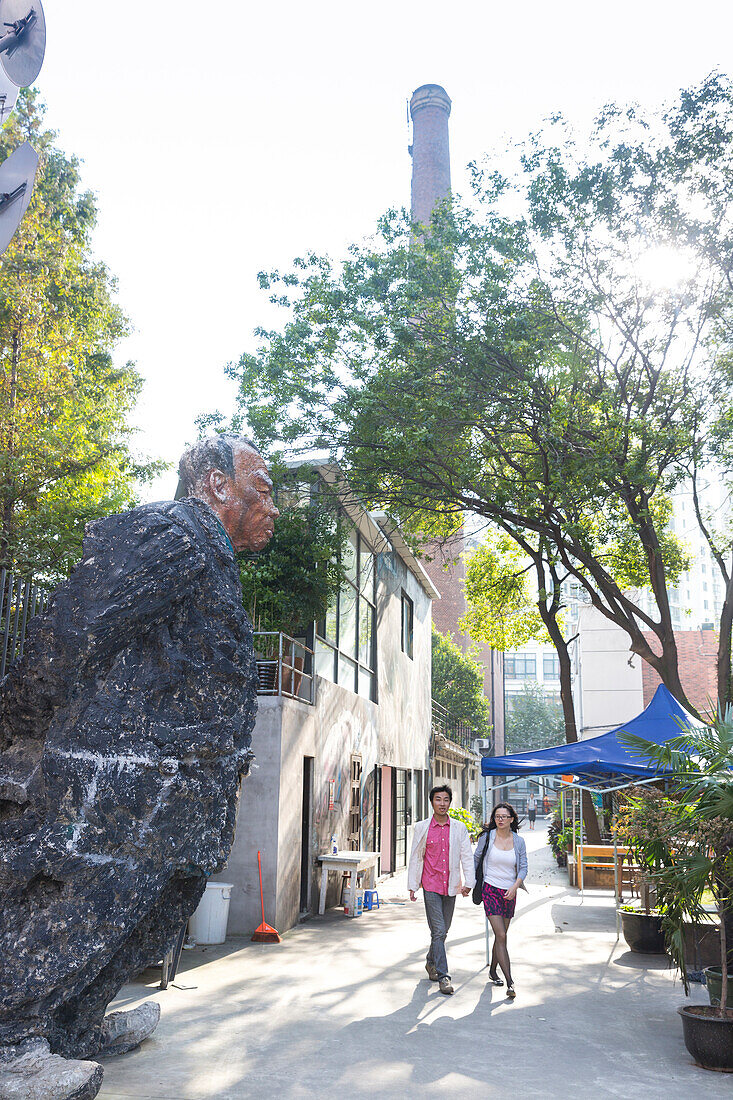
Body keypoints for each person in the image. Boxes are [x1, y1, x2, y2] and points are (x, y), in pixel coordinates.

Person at [0, 434, 278, 1095]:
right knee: (81, 907)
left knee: (154, 911)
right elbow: (69, 635)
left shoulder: (211, 561)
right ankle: (13, 1039)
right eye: (261, 488)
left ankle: (74, 1024)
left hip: (183, 790)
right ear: (216, 485)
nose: (273, 506)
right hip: (119, 785)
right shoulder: (170, 534)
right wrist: (23, 735)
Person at [407, 784, 475, 996]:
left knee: (443, 931)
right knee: (438, 930)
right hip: (430, 885)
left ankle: (430, 962)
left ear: (449, 802)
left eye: (445, 800)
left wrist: (469, 882)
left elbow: (466, 856)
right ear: (432, 802)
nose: (442, 804)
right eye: (438, 799)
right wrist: (412, 886)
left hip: (451, 885)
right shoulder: (422, 828)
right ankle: (443, 976)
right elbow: (416, 857)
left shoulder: (459, 828)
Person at [474, 802, 528, 999]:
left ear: (512, 819)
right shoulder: (487, 838)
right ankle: (510, 981)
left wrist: (515, 886)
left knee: (501, 935)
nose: (501, 819)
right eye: (498, 816)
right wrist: (470, 883)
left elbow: (523, 867)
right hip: (490, 889)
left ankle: (492, 971)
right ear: (494, 818)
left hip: (510, 892)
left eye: (505, 816)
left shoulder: (519, 841)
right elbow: (476, 859)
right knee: (502, 935)